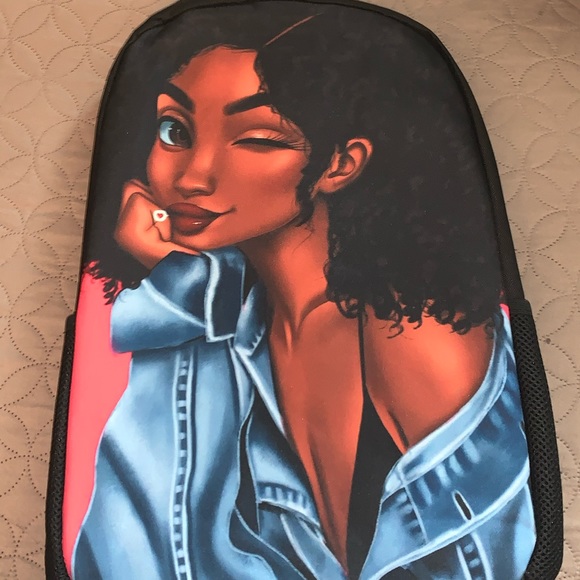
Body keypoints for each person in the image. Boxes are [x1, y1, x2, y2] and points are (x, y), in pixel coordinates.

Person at [72, 4, 535, 579]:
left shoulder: (414, 331)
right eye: (175, 131)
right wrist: (176, 283)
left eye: (256, 139)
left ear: (340, 164)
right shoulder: (214, 316)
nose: (192, 176)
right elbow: (132, 543)